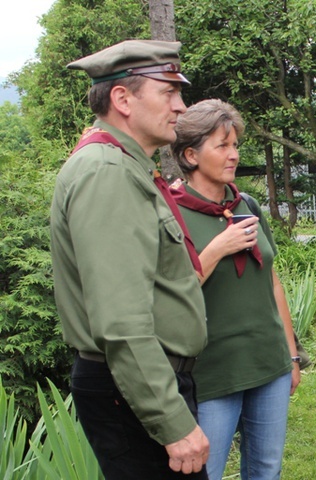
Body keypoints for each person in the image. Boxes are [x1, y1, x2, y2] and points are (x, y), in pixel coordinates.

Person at [50, 40, 210, 478]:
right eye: (168, 93)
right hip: (134, 386)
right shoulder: (109, 174)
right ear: (122, 99)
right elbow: (122, 322)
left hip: (139, 382)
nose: (180, 106)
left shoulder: (123, 166)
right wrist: (173, 423)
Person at [169, 99, 301, 480]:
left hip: (268, 363)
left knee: (265, 470)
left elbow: (271, 282)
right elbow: (174, 294)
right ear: (191, 154)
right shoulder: (172, 212)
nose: (234, 155)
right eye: (222, 146)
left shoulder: (247, 205)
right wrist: (217, 250)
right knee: (204, 473)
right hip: (213, 372)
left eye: (235, 145)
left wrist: (291, 356)